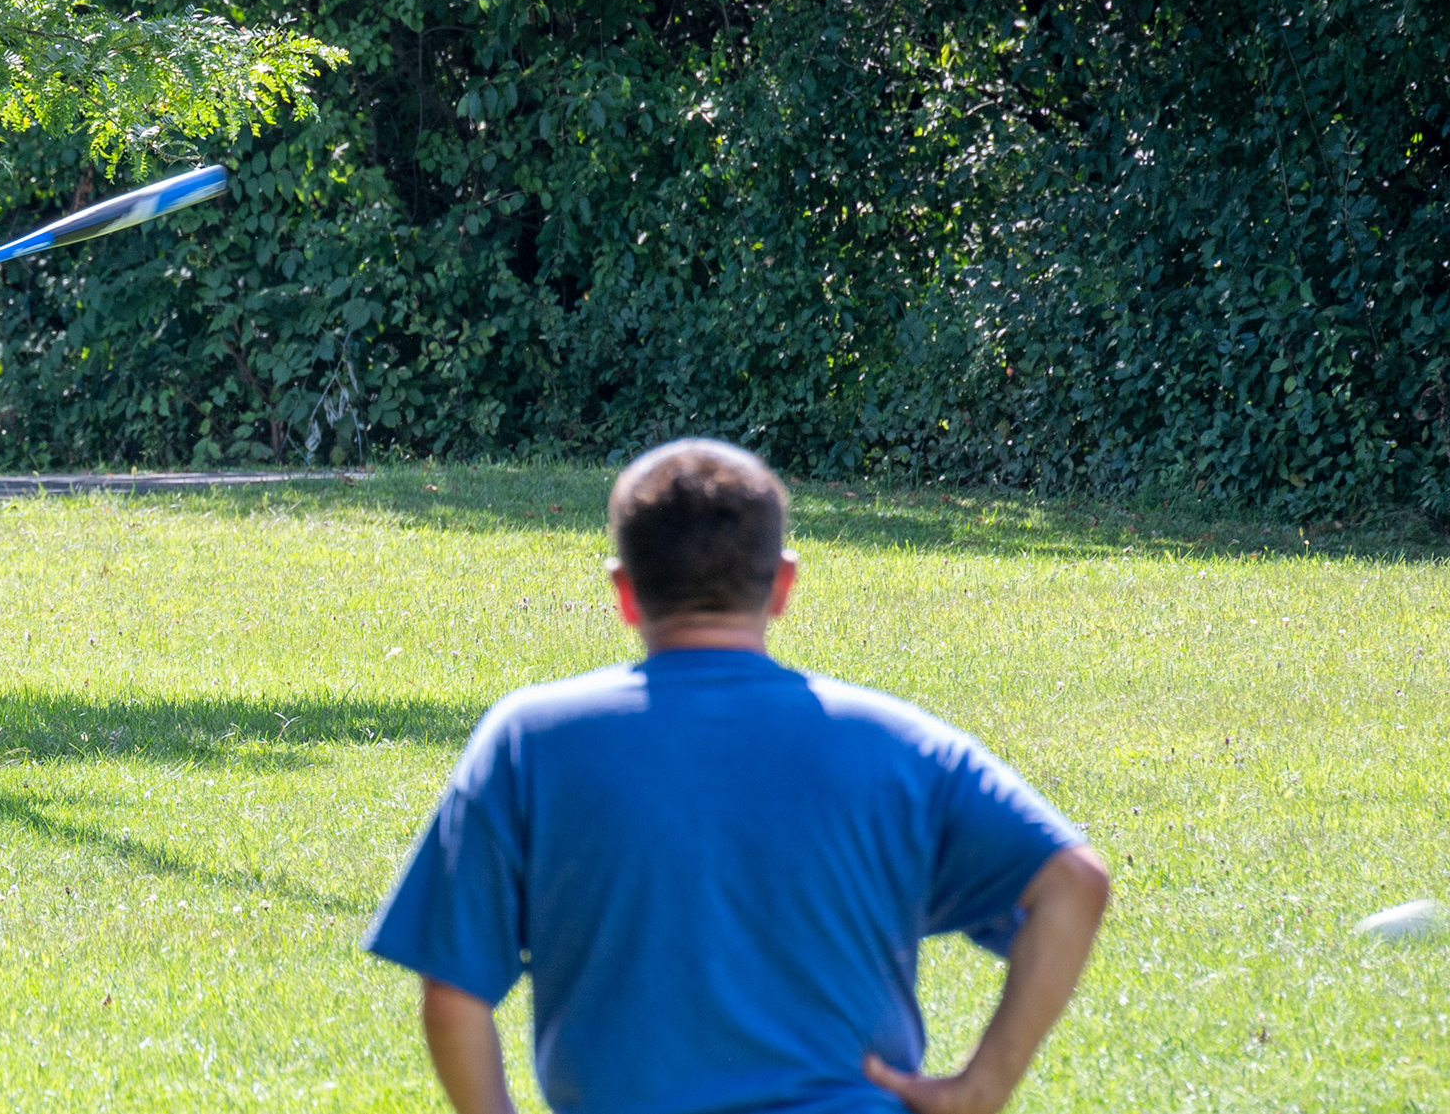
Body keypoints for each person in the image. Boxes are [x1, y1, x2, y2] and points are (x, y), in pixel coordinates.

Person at [362, 439, 1109, 1113]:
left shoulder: (530, 740)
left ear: (624, 592)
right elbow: (1074, 881)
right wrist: (982, 1086)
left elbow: (452, 992)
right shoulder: (900, 745)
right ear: (782, 584)